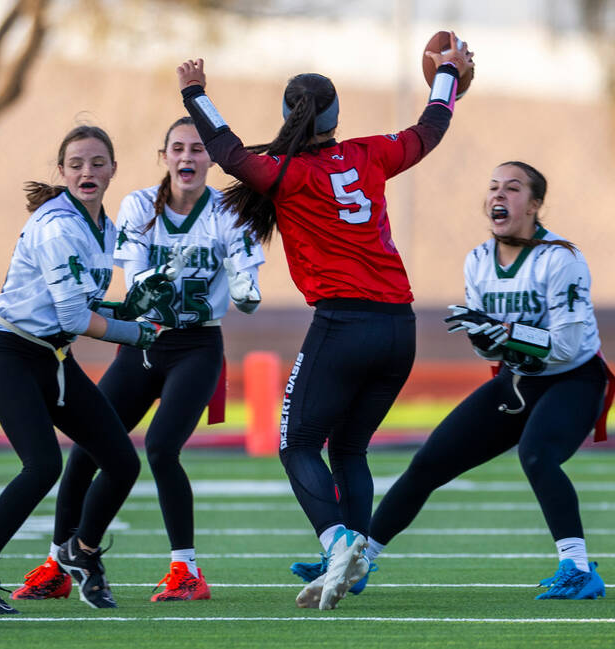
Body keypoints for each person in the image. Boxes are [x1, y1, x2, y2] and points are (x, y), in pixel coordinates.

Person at [175, 34, 474, 610]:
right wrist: (447, 76)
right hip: (399, 326)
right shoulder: (370, 154)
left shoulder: (286, 173)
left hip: (344, 325)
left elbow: (227, 151)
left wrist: (195, 93)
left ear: (289, 115)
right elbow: (430, 128)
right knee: (352, 449)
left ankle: (338, 542)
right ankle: (355, 555)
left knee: (296, 445)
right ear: (337, 116)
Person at [10, 116, 265, 603]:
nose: (187, 157)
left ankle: (186, 570)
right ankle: (58, 563)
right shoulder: (138, 205)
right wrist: (150, 292)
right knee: (86, 449)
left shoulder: (229, 212)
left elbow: (248, 294)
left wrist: (244, 283)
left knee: (162, 448)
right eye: (177, 148)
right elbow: (139, 285)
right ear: (163, 156)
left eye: (197, 149)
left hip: (196, 344)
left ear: (211, 157)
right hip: (143, 341)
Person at [0, 125, 166, 614]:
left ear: (113, 170)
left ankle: (79, 553)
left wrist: (128, 309)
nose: (88, 171)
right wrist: (137, 333)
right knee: (43, 465)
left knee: (123, 462)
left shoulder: (101, 226)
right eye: (78, 163)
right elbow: (69, 317)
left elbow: (76, 302)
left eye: (98, 162)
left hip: (50, 356)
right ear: (62, 172)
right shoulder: (59, 224)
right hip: (8, 351)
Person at [363, 161, 613, 600]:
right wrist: (486, 337)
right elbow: (489, 352)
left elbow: (568, 346)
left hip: (574, 379)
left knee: (537, 455)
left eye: (513, 189)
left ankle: (577, 568)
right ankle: (357, 561)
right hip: (517, 380)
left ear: (535, 204)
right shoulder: (478, 260)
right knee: (428, 463)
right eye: (494, 187)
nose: (499, 195)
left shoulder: (561, 258)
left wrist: (512, 333)